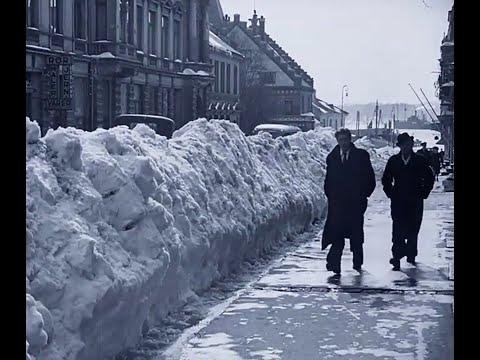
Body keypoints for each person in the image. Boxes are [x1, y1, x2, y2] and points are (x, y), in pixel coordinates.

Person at [322, 128, 376, 274]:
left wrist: (363, 195)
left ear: (350, 139)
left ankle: (357, 261)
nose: (343, 143)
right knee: (337, 233)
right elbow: (329, 179)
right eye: (340, 140)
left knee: (356, 233)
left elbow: (370, 178)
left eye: (346, 139)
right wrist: (330, 195)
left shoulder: (361, 156)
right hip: (338, 203)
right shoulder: (332, 157)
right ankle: (335, 264)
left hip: (355, 203)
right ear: (337, 141)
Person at [382, 133, 435, 271]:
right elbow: (386, 179)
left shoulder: (420, 160)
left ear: (411, 145)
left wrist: (424, 193)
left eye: (409, 144)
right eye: (403, 144)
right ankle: (397, 256)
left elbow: (429, 177)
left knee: (413, 228)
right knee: (397, 229)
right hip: (398, 200)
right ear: (400, 146)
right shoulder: (394, 161)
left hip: (415, 200)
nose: (406, 147)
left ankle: (411, 253)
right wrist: (391, 193)